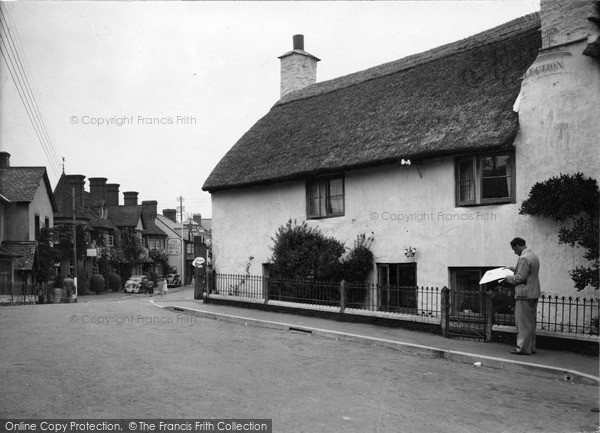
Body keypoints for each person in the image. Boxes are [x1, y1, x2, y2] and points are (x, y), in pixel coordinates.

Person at [504, 237, 541, 355]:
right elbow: (527, 272)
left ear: (518, 246)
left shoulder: (524, 258)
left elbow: (520, 278)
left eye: (514, 249)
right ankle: (530, 347)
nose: (514, 252)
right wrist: (512, 269)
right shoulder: (533, 256)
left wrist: (506, 278)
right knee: (530, 323)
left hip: (524, 294)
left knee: (523, 323)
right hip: (533, 293)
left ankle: (523, 348)